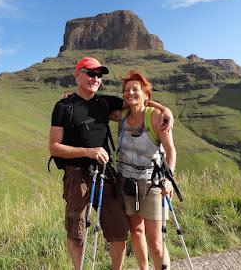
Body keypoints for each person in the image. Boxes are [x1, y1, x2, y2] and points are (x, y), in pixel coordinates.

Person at [49, 57, 174, 270]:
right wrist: (88, 151)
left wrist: (165, 110)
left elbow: (138, 102)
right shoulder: (63, 106)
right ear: (77, 74)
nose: (95, 78)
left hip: (106, 174)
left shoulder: (104, 103)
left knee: (118, 230)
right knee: (77, 230)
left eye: (99, 75)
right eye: (90, 73)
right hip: (77, 174)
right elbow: (55, 147)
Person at [116, 70, 176, 270]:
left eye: (135, 89)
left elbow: (170, 150)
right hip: (127, 183)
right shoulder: (121, 115)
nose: (130, 93)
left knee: (156, 244)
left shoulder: (156, 117)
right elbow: (94, 103)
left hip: (153, 183)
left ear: (146, 95)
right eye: (126, 90)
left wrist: (169, 177)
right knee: (136, 230)